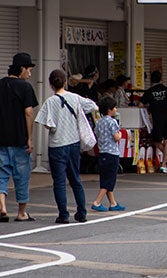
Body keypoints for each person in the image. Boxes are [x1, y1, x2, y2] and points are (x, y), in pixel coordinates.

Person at [35, 68, 98, 224]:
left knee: (59, 181)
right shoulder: (75, 98)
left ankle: (63, 215)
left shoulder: (49, 102)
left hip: (57, 145)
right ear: (64, 82)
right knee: (75, 179)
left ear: (51, 84)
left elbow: (47, 125)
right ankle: (81, 212)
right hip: (73, 143)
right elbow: (93, 106)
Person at [0, 52, 38, 222]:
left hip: (1, 139)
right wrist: (29, 138)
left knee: (1, 174)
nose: (29, 74)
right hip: (19, 139)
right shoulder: (25, 87)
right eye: (29, 70)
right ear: (22, 69)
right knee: (22, 176)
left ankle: (2, 206)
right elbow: (29, 112)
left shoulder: (0, 85)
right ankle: (21, 213)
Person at [91, 97, 125, 212]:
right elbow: (116, 137)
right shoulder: (112, 122)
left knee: (106, 177)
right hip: (112, 153)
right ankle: (97, 202)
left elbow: (96, 134)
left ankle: (113, 203)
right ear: (109, 110)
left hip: (102, 153)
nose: (116, 109)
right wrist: (120, 134)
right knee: (109, 180)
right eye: (115, 107)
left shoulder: (99, 122)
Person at [142, 70, 167, 173]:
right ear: (161, 79)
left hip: (157, 119)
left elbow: (141, 105)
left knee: (156, 140)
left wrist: (149, 108)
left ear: (151, 79)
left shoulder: (149, 92)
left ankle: (164, 164)